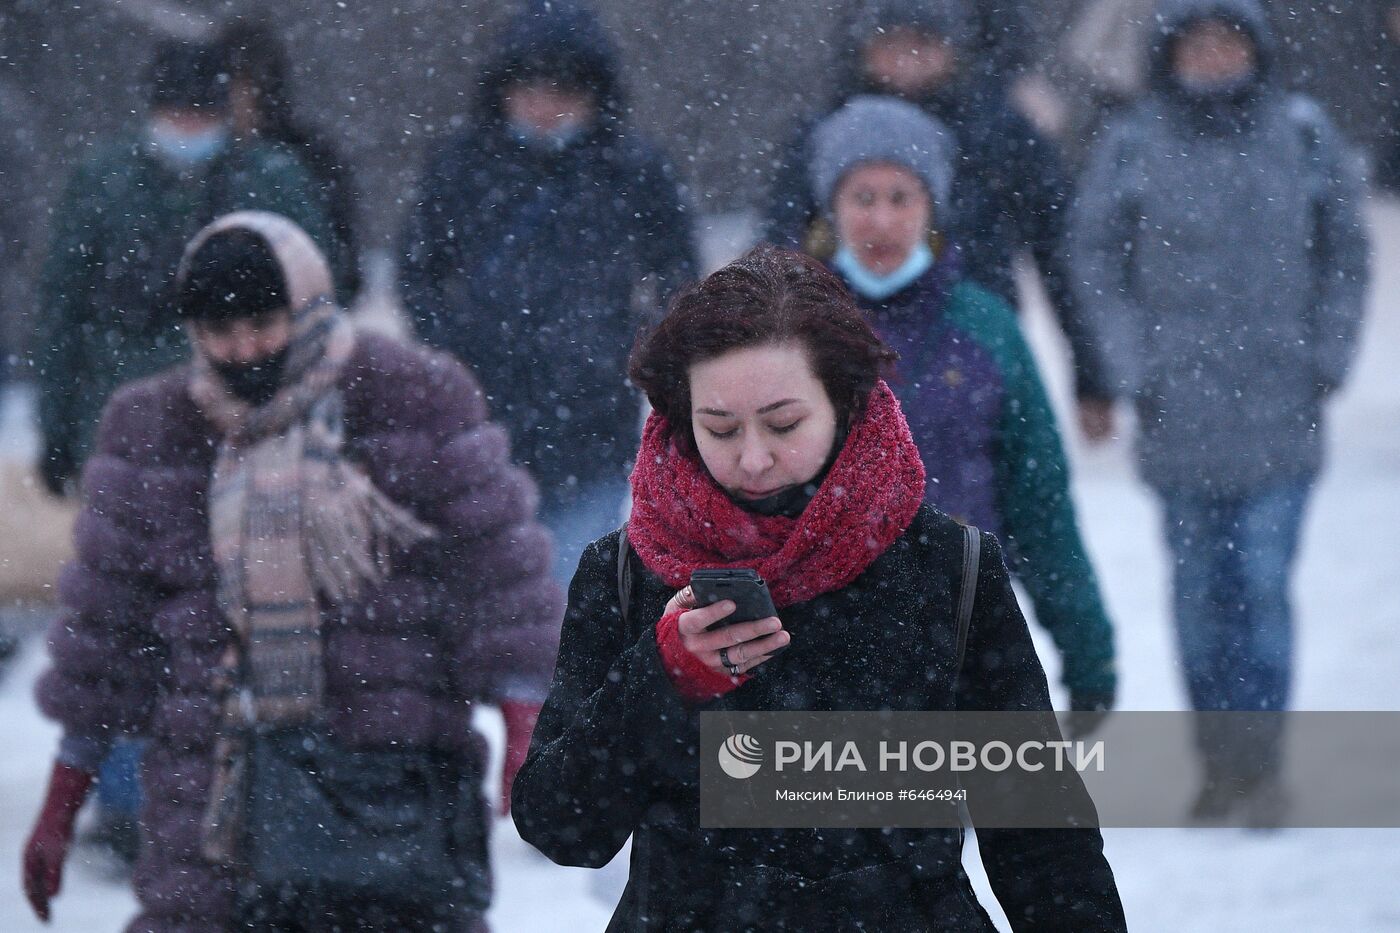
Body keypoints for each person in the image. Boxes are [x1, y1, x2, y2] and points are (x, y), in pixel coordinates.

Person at [512, 245, 1127, 930]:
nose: (752, 456)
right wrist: (661, 681)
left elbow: (1039, 829)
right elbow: (561, 826)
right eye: (719, 427)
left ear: (843, 402)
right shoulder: (630, 571)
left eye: (783, 424)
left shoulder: (945, 568)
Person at [23, 212, 562, 931]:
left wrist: (523, 721)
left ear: (308, 303)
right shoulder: (154, 428)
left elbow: (496, 579)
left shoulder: (412, 397)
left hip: (390, 792)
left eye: (264, 323)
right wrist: (63, 798)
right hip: (216, 802)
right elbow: (107, 633)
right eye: (219, 331)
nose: (243, 349)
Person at [1069, 0, 1370, 822]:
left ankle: (1262, 768)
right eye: (1194, 42)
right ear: (1169, 54)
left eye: (1226, 38)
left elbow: (1346, 250)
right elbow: (1093, 253)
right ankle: (1220, 769)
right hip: (1180, 418)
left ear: (1255, 48)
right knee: (1200, 596)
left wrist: (1327, 357)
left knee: (1262, 590)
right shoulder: (1132, 140)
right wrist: (1134, 366)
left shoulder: (1305, 136)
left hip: (1282, 413)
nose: (1210, 55)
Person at [806, 95, 1117, 728]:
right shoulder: (789, 327)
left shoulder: (986, 327)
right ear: (831, 208)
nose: (882, 219)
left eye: (902, 197)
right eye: (863, 197)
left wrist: (1089, 652)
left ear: (933, 207)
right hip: (817, 639)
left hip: (959, 627)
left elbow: (1039, 503)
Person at [400, 0, 697, 587]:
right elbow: (416, 274)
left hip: (591, 427)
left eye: (563, 89)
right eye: (529, 87)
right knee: (485, 601)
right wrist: (456, 343)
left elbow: (678, 278)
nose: (544, 106)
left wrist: (632, 346)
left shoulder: (631, 170)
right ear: (503, 88)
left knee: (574, 603)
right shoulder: (462, 167)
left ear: (594, 93)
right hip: (478, 424)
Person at [763, 0, 1113, 427]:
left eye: (922, 44)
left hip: (975, 349)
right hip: (843, 352)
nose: (906, 60)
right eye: (890, 44)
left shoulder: (1003, 134)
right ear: (863, 49)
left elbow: (1059, 256)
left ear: (953, 48)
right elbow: (776, 252)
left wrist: (1091, 374)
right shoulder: (821, 137)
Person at [34, 39, 333, 499]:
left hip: (255, 416)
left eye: (203, 113)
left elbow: (321, 294)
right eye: (178, 113)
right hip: (121, 414)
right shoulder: (101, 182)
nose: (190, 126)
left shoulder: (273, 177)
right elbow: (61, 309)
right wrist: (55, 430)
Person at [218, 18, 362, 300]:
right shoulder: (196, 162)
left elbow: (342, 259)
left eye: (242, 86)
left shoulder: (310, 157)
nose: (233, 100)